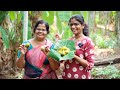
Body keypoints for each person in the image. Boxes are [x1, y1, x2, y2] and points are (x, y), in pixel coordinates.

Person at [54, 14, 95, 79]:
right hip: (67, 76)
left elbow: (89, 65)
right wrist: (58, 43)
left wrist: (74, 56)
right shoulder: (69, 41)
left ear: (83, 25)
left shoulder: (87, 41)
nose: (73, 27)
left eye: (76, 24)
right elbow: (61, 59)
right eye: (71, 24)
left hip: (82, 77)